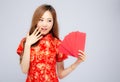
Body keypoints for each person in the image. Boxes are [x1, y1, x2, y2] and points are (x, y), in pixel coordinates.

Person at [16, 4, 86, 82]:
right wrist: (28, 44)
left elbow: (61, 74)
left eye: (49, 20)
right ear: (36, 20)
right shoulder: (26, 41)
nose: (45, 24)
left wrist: (77, 62)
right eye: (41, 20)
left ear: (53, 23)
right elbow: (24, 70)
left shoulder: (57, 43)